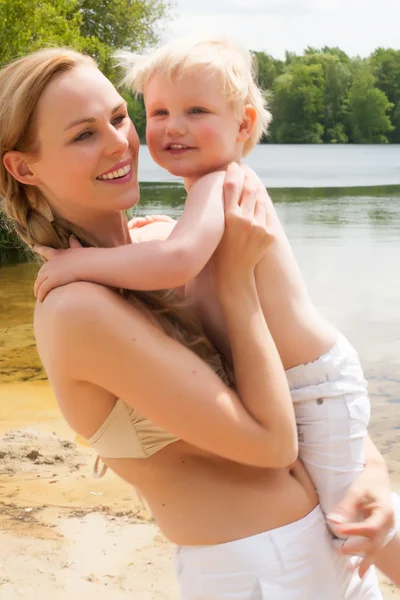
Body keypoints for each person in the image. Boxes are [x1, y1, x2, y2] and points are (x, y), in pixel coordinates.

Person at [0, 46, 392, 599]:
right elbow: (272, 444)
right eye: (83, 134)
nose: (120, 142)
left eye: (118, 117)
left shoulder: (166, 242)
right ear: (23, 166)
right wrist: (235, 286)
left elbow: (310, 386)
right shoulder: (74, 307)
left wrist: (369, 479)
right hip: (257, 571)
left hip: (327, 552)